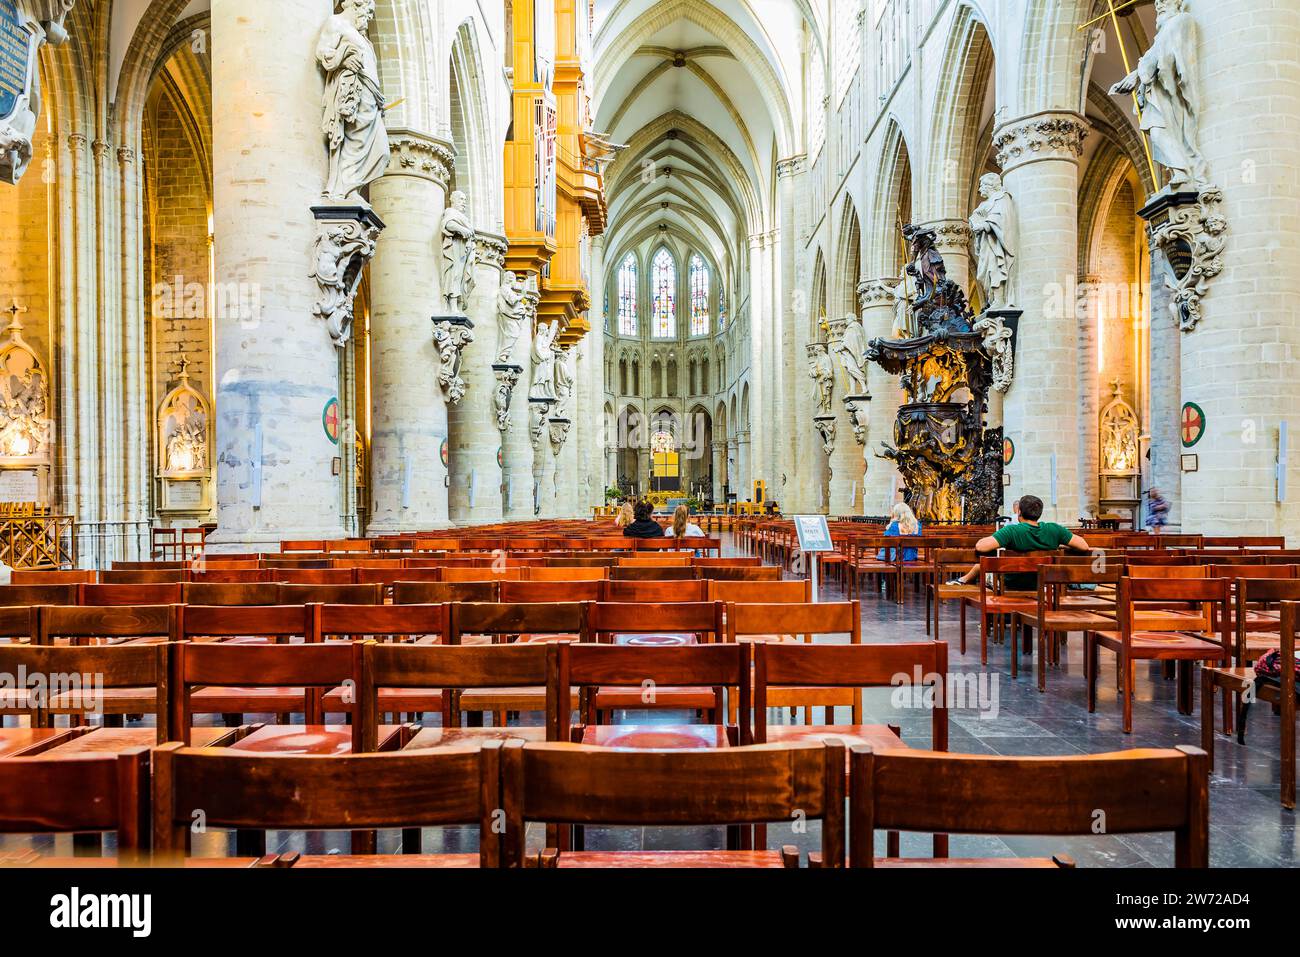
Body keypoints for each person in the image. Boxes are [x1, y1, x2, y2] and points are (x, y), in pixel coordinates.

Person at [948, 494, 1090, 590]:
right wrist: (1060, 544)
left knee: (983, 566)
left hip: (1011, 584)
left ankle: (964, 583)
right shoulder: (1054, 529)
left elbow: (981, 547)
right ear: (1039, 512)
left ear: (1019, 512)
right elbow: (1084, 546)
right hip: (1043, 584)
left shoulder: (1012, 531)